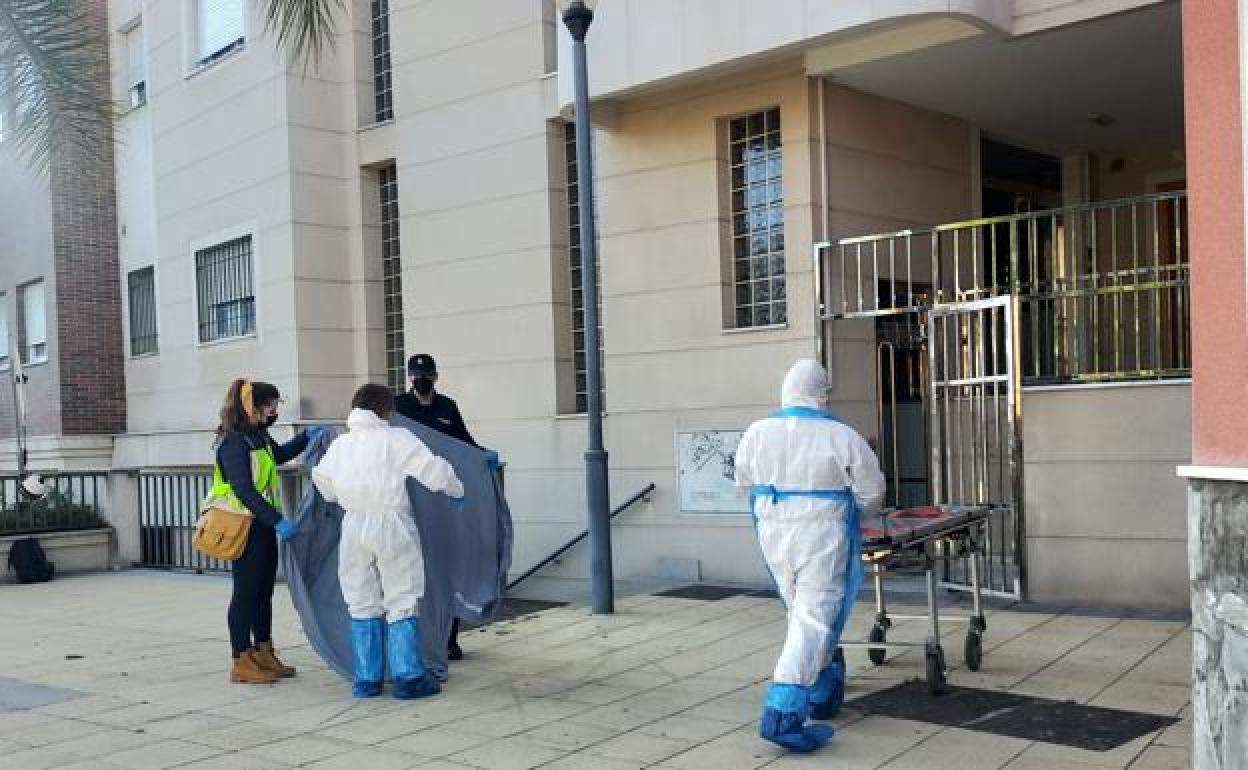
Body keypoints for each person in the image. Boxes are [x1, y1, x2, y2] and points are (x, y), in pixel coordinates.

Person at [734, 359, 885, 753]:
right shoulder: (841, 436)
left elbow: (743, 481)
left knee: (799, 611)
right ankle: (782, 711)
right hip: (821, 532)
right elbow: (872, 492)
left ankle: (821, 688)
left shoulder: (757, 432)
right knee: (815, 614)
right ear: (822, 392)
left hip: (772, 531)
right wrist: (854, 510)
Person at [311, 384, 465, 699]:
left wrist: (349, 495)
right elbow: (433, 471)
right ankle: (408, 677)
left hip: (354, 523)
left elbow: (323, 482)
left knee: (360, 596)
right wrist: (457, 490)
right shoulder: (396, 439)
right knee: (402, 594)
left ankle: (366, 679)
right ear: (386, 410)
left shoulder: (341, 445)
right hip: (391, 522)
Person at [215, 378, 323, 684]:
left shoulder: (257, 436)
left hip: (261, 526)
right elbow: (244, 490)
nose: (276, 410)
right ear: (255, 407)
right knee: (245, 594)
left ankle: (264, 652)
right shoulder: (233, 442)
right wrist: (278, 521)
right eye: (273, 405)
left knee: (263, 593)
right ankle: (241, 660)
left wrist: (305, 439)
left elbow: (278, 456)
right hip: (243, 527)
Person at [394, 353, 498, 660]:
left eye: (425, 375)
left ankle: (449, 638)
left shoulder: (446, 407)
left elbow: (463, 442)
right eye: (415, 375)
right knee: (417, 570)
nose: (420, 381)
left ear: (435, 377)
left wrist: (482, 457)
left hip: (444, 499)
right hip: (412, 500)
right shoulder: (400, 407)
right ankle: (424, 638)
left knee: (447, 567)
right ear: (409, 378)